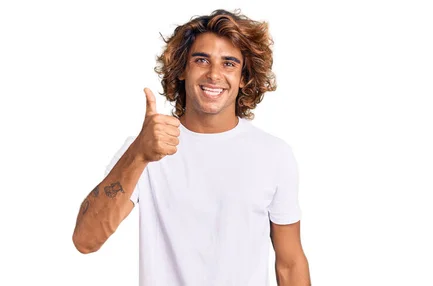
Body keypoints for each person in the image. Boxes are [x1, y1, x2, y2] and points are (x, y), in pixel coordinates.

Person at [71, 9, 311, 286]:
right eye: (201, 60)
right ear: (183, 69)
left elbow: (290, 264)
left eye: (229, 63)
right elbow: (85, 240)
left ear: (244, 77)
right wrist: (139, 153)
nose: (214, 74)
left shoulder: (274, 155)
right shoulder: (145, 149)